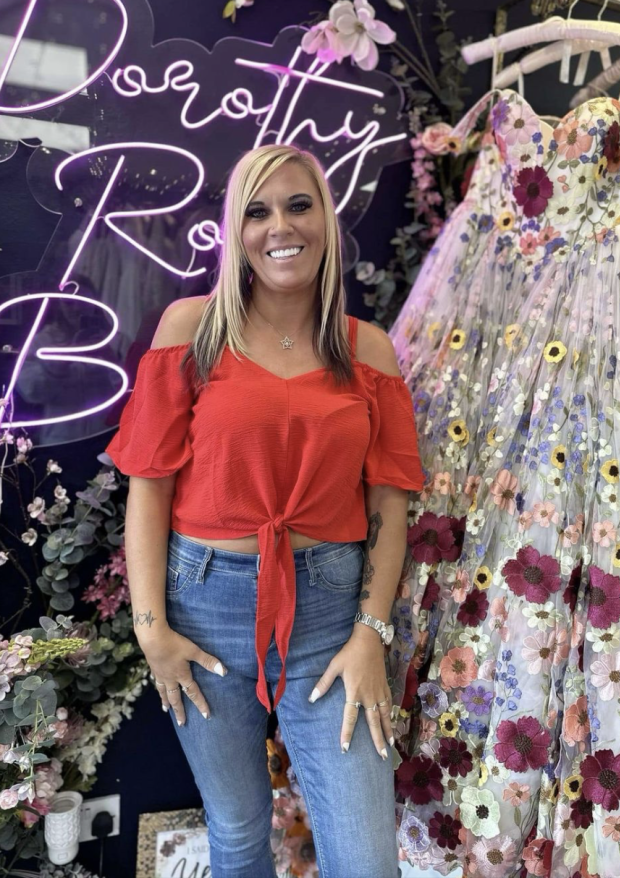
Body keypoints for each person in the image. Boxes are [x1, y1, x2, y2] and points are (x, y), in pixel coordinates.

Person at [104, 143, 425, 878]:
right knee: (240, 832)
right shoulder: (192, 330)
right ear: (237, 231)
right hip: (204, 608)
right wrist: (151, 630)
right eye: (258, 209)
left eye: (298, 204)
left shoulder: (366, 350)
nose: (280, 225)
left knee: (367, 860)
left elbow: (389, 503)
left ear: (325, 220)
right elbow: (148, 488)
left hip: (330, 615)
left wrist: (371, 632)